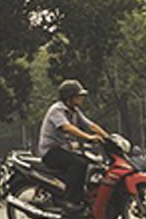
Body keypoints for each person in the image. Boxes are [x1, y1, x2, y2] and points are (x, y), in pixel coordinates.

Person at [37, 79, 109, 209]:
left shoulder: (74, 111)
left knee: (90, 163)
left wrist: (108, 137)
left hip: (64, 149)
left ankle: (82, 196)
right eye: (78, 96)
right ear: (69, 97)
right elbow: (67, 127)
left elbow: (90, 125)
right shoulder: (57, 110)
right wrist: (88, 137)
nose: (82, 99)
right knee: (78, 164)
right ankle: (69, 200)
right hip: (51, 151)